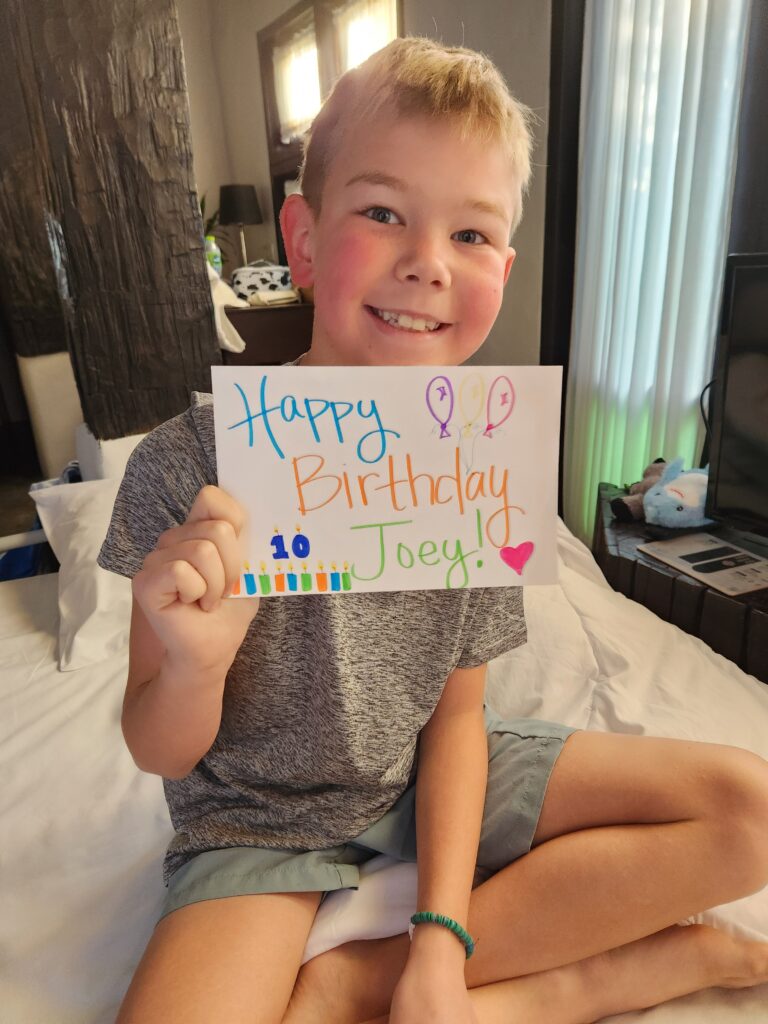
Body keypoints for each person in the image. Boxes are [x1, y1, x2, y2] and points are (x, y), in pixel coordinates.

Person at [99, 36, 768, 1024]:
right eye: (382, 213)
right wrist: (194, 668)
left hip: (429, 774)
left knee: (750, 811)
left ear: (504, 266)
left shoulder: (480, 455)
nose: (426, 264)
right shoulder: (183, 465)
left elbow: (456, 721)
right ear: (305, 239)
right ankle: (583, 983)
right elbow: (156, 746)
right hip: (257, 820)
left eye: (471, 234)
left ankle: (354, 985)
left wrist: (438, 944)